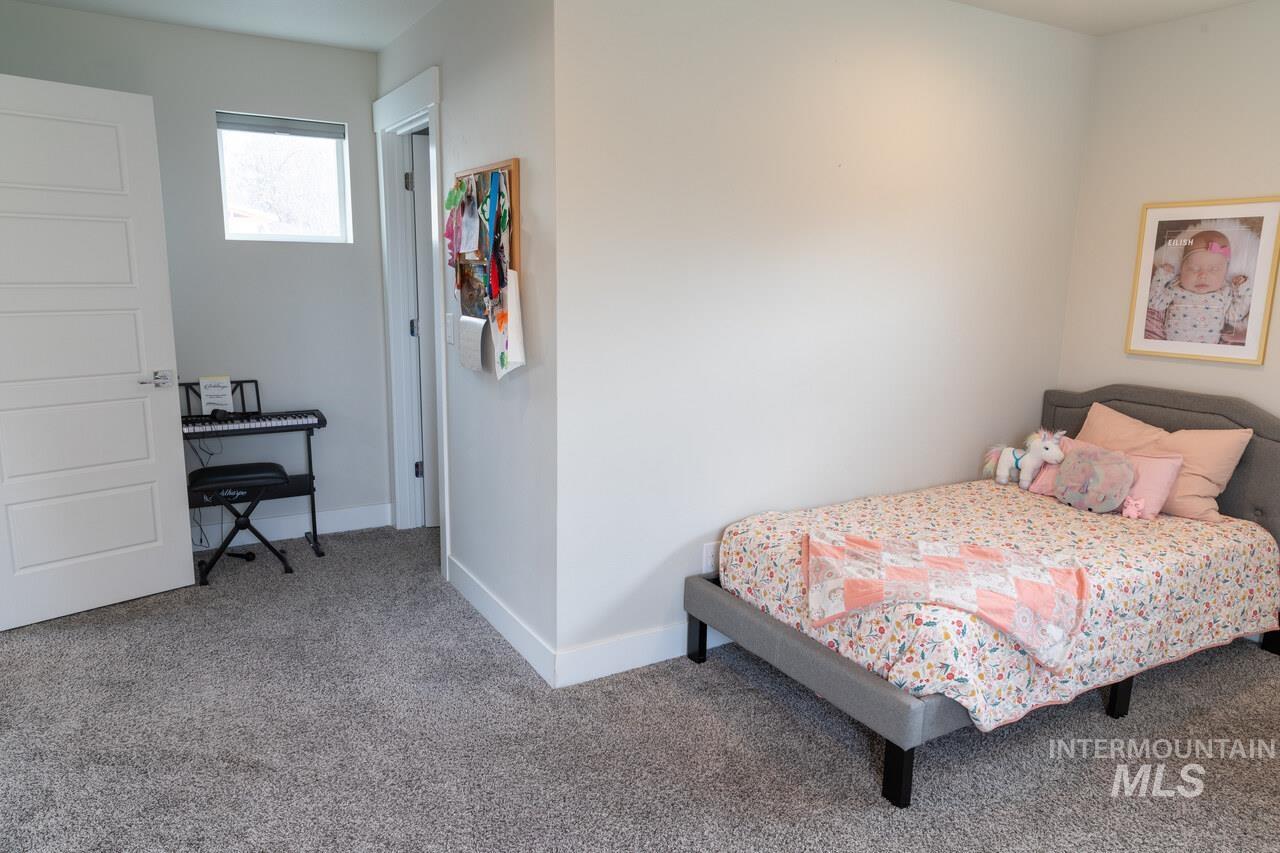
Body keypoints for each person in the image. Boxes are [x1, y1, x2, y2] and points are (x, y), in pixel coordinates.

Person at [1148, 229, 1252, 344]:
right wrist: (1162, 277)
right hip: (1171, 346)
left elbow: (1236, 315)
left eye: (1214, 269)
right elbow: (1155, 303)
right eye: (1194, 268)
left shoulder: (1224, 293)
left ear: (1225, 273)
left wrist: (1242, 289)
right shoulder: (1176, 287)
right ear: (1182, 269)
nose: (1202, 275)